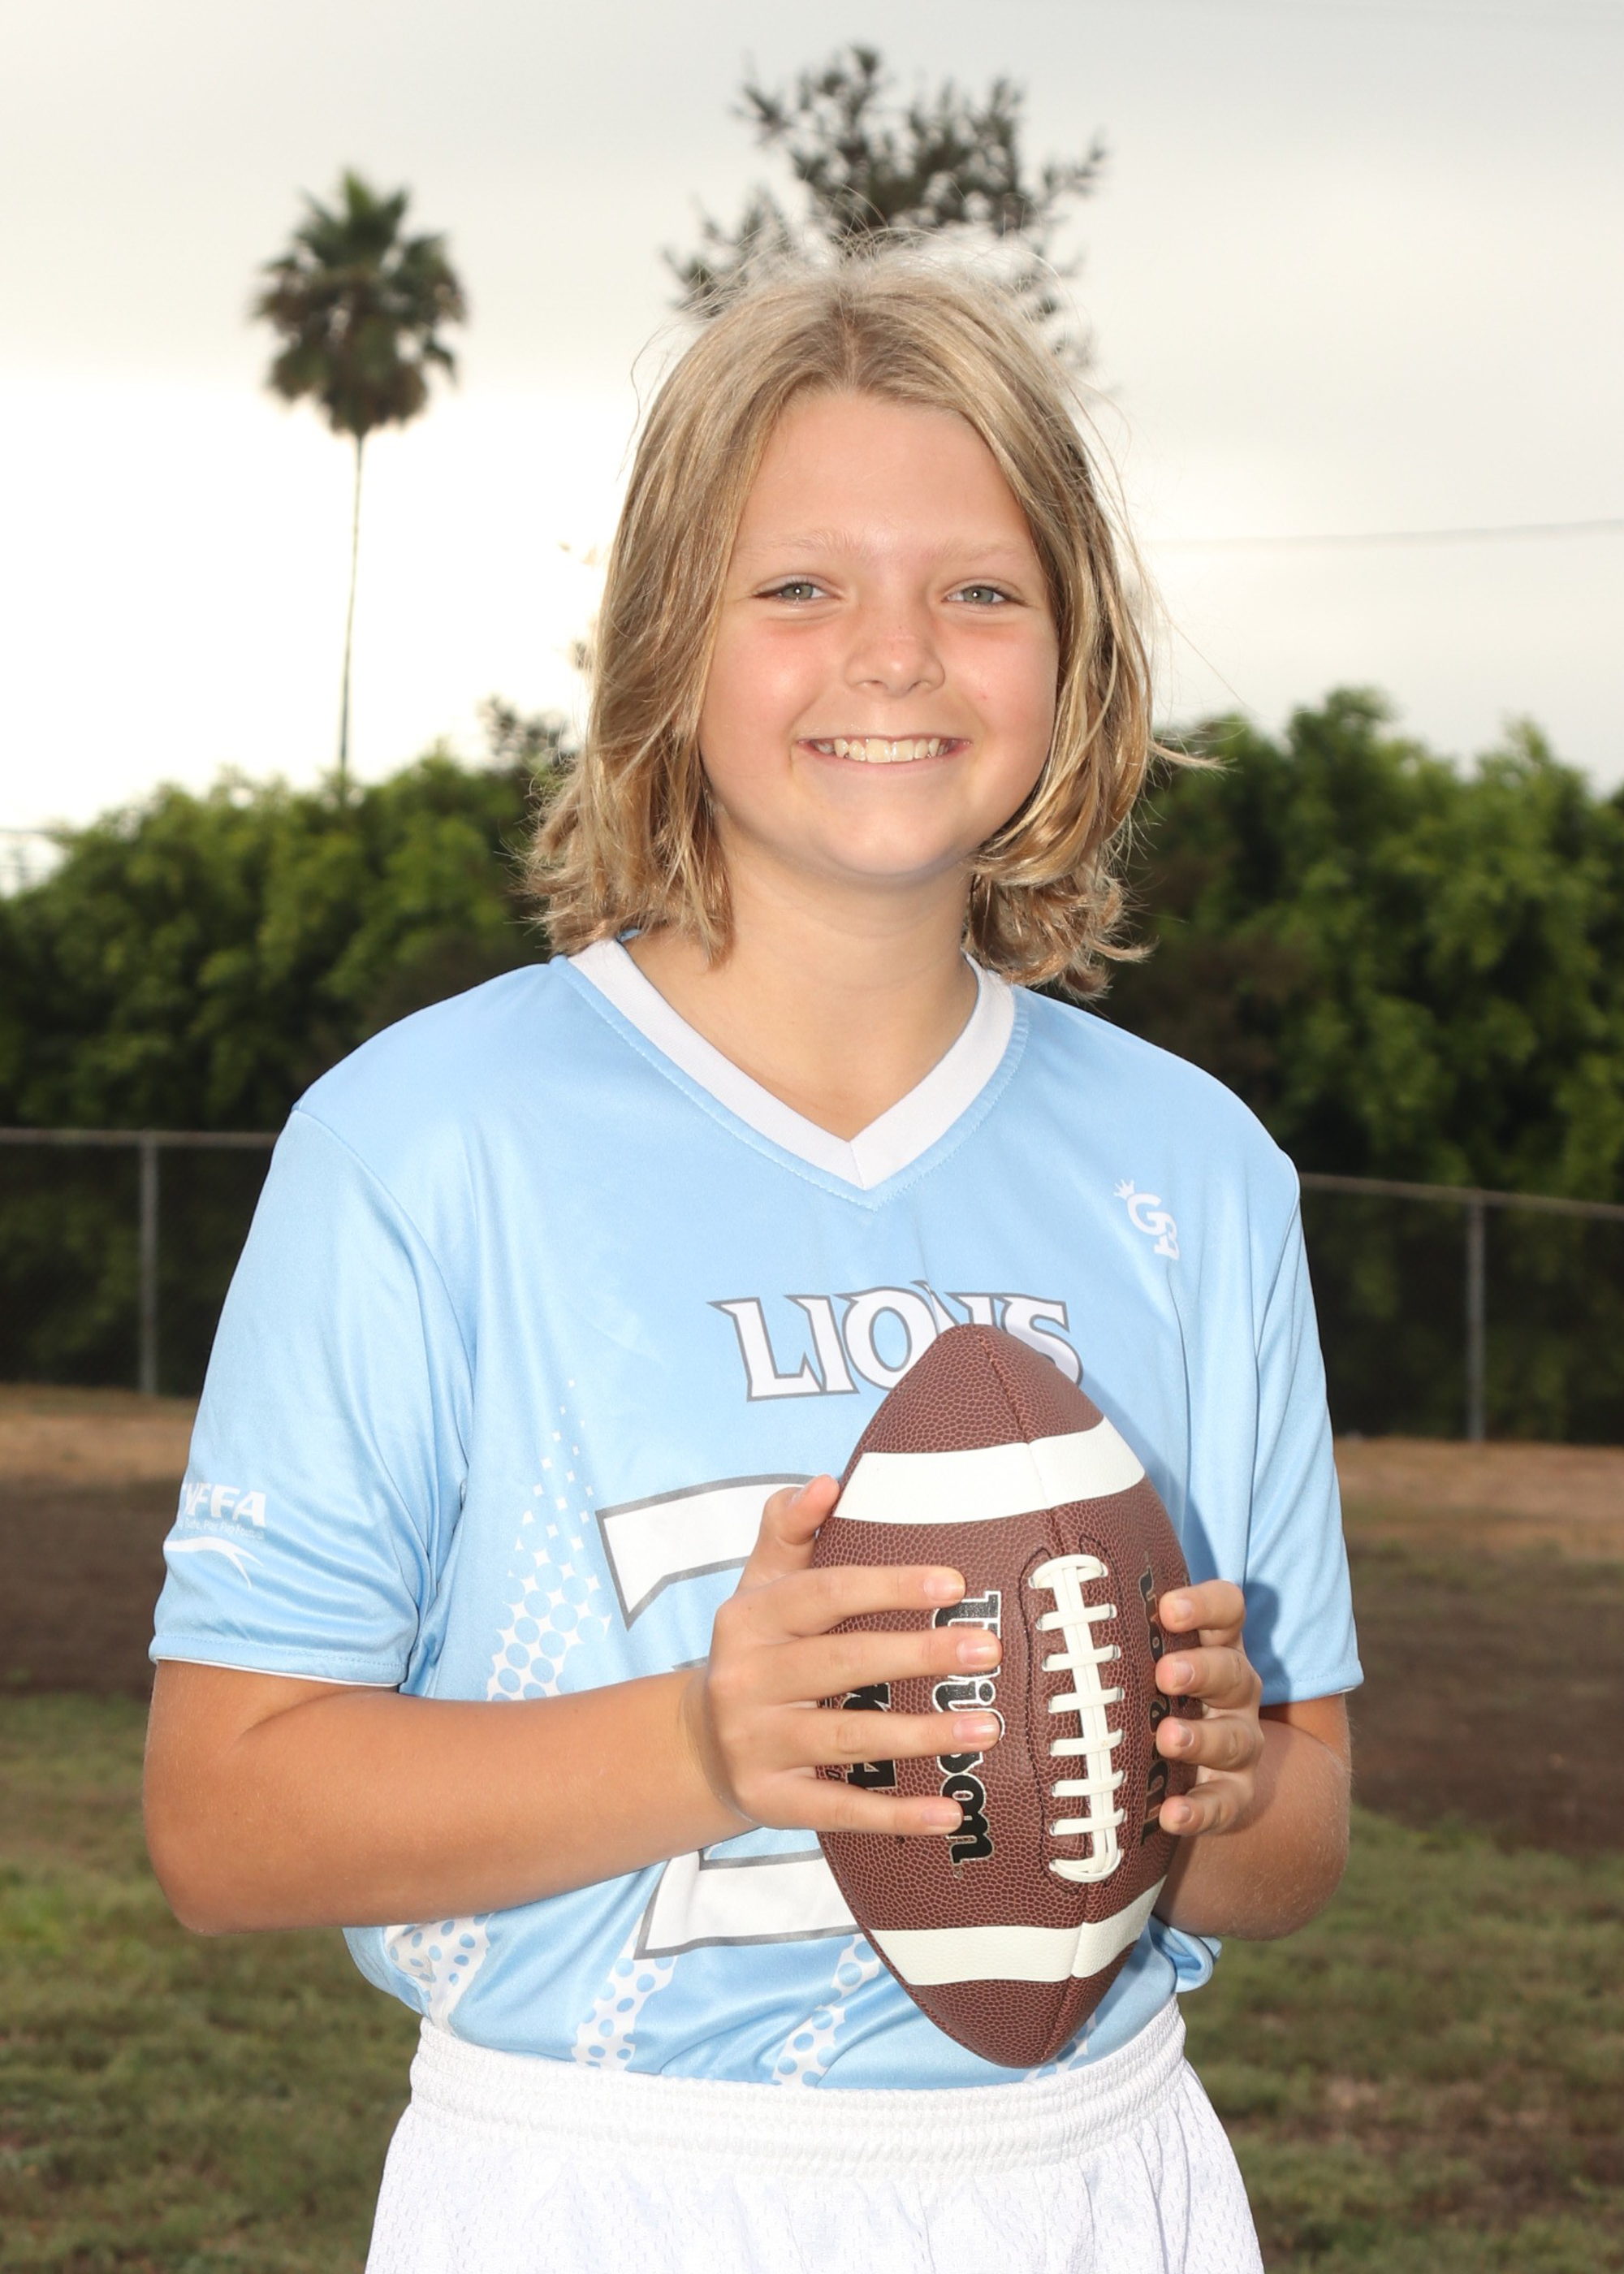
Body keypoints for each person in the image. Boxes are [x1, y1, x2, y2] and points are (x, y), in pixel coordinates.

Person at [145, 252, 1360, 2274]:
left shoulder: (1195, 1170)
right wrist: (707, 1744)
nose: (893, 654)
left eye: (980, 590)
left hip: (1093, 2181)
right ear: (663, 642)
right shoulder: (425, 1141)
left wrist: (1205, 1791)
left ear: (1075, 649)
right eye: (797, 585)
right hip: (598, 2182)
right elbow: (221, 1818)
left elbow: (1300, 1827)